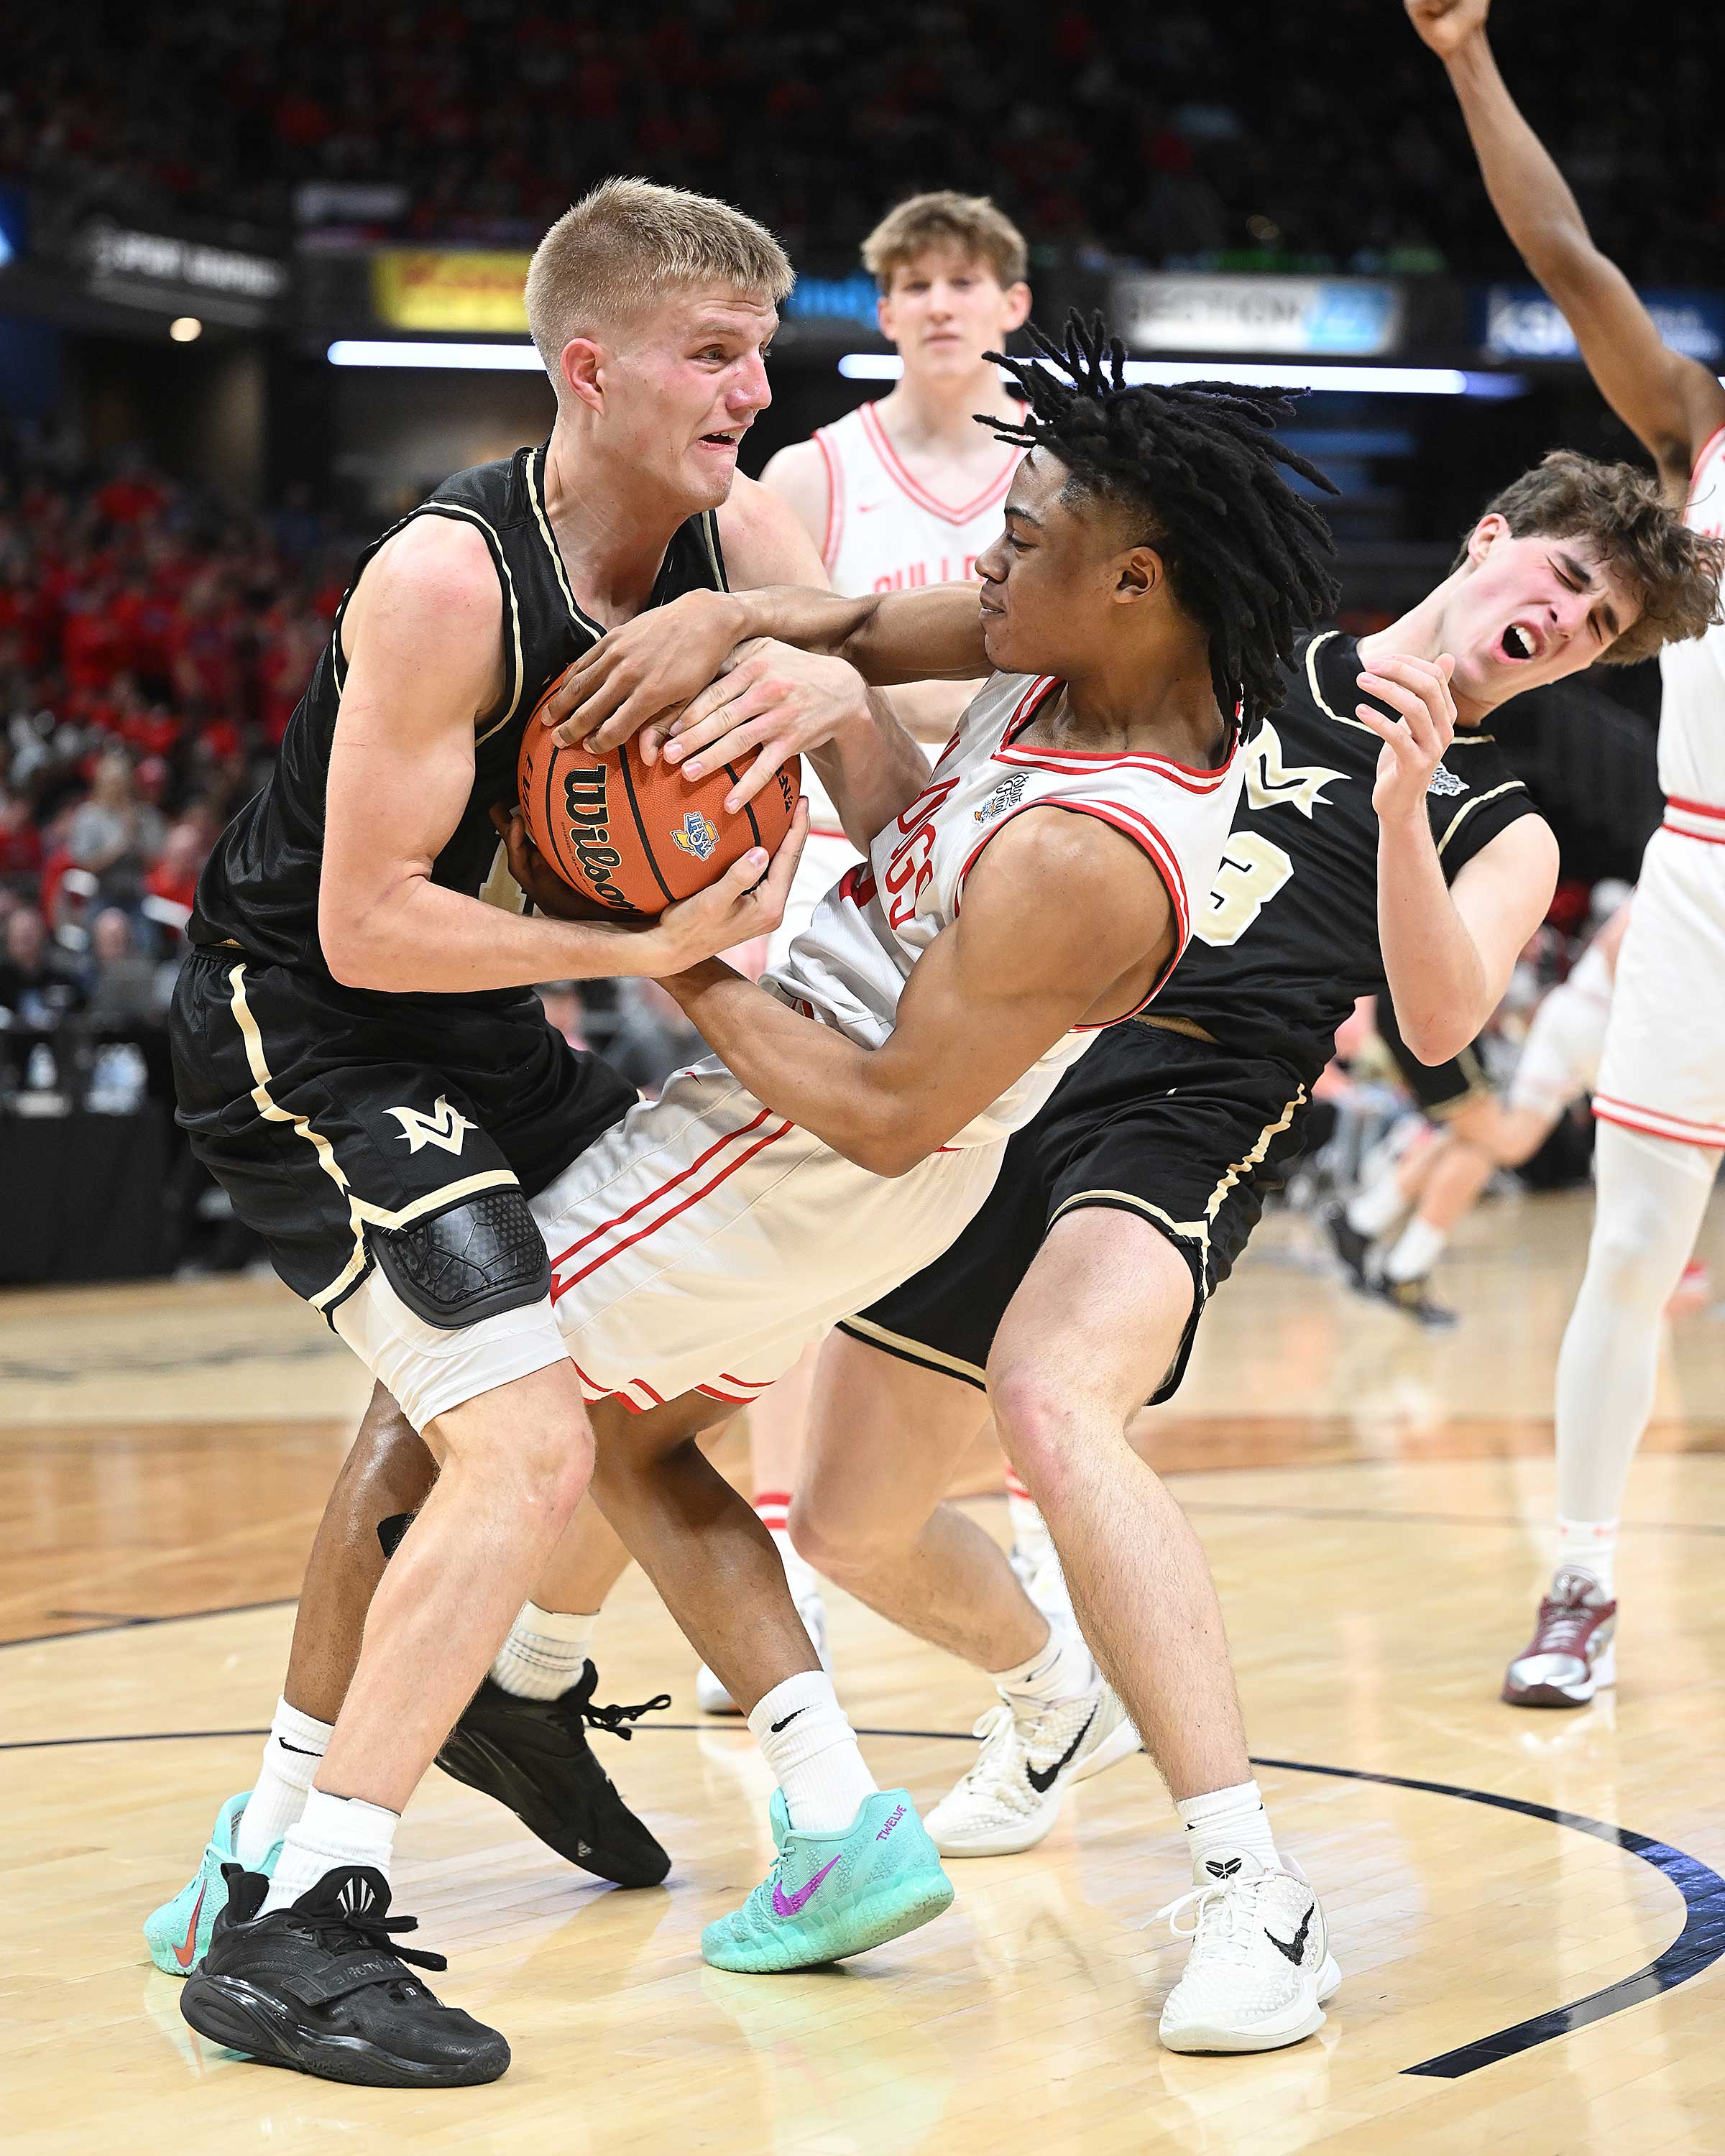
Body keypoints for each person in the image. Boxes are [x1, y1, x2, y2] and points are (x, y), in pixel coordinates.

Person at [160, 313, 1343, 2077]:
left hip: (799, 1149)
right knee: (630, 1445)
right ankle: (816, 1813)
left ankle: (285, 1874)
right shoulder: (1082, 644)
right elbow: (857, 633)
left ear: (1132, 580)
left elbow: (882, 1111)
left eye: (1020, 540)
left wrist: (675, 950)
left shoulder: (1088, 853)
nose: (982, 561)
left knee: (460, 1410)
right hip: (814, 1136)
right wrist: (738, 631)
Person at [783, 446, 1718, 2055]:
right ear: (1489, 539)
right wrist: (810, 672)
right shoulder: (1249, 641)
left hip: (1197, 1101)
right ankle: (1050, 1689)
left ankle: (1254, 1890)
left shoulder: (1503, 824)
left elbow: (1441, 1024)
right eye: (1566, 581)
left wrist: (1406, 807)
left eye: (1602, 629)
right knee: (848, 1525)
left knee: (1053, 1398)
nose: (1570, 623)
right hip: (1019, 1048)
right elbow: (993, 668)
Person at [152, 177, 901, 2091]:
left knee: (628, 1382)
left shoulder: (738, 530)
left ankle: (443, 1758)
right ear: (590, 369)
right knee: (524, 1434)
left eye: (763, 351)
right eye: (713, 354)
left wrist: (823, 663)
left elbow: (891, 793)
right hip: (310, 1031)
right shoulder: (447, 577)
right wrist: (640, 950)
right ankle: (305, 1916)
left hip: (492, 1021)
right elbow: (360, 924)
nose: (756, 390)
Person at [1407, 0, 1725, 1709]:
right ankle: (1581, 1579)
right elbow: (1562, 256)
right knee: (1630, 1244)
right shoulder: (1698, 426)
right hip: (1701, 884)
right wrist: (1468, 57)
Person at [689, 191, 1034, 1710]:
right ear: (883, 310)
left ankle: (1038, 1550)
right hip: (845, 866)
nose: (942, 305)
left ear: (1012, 305)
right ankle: (783, 1576)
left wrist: (896, 695)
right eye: (916, 284)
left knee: (1009, 1232)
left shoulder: (1056, 471)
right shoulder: (815, 472)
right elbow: (781, 660)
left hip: (1022, 873)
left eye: (968, 281)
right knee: (791, 1235)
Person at [1325, 898, 1633, 1326]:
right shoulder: (1686, 877)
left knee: (1491, 1136)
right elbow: (1617, 941)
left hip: (1449, 1007)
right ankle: (1391, 1258)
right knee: (1496, 1138)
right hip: (1431, 1008)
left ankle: (1368, 1230)